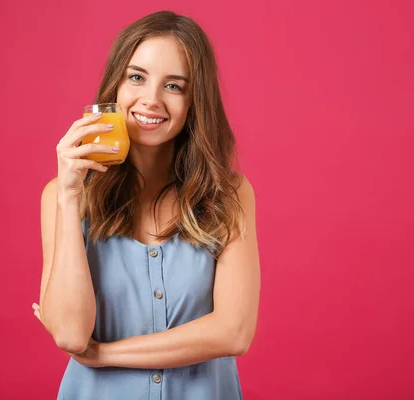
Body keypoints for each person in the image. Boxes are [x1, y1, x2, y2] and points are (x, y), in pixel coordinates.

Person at [32, 10, 260, 400]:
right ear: (115, 86)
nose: (151, 100)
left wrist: (105, 354)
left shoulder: (229, 193)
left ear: (194, 101)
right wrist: (70, 196)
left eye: (174, 85)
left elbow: (234, 332)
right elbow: (71, 333)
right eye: (136, 77)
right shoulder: (62, 195)